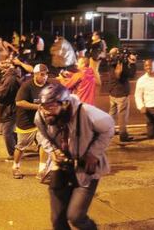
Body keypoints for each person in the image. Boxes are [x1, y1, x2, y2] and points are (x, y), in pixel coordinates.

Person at [34, 83, 114, 230]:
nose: (46, 112)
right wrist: (52, 150)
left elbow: (109, 128)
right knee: (57, 219)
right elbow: (41, 133)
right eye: (43, 106)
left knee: (76, 216)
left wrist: (93, 153)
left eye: (51, 107)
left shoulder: (87, 112)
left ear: (65, 104)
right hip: (60, 167)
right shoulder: (42, 116)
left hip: (85, 169)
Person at [12, 64, 49, 179]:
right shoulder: (27, 86)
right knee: (21, 146)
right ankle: (15, 167)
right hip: (26, 121)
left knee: (43, 144)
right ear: (35, 75)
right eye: (42, 74)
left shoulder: (48, 85)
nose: (45, 77)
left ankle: (42, 170)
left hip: (41, 121)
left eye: (46, 74)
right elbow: (19, 102)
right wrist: (37, 107)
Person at [0, 60, 21, 159]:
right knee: (10, 131)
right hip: (8, 108)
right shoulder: (8, 77)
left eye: (0, 68)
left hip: (10, 109)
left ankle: (13, 154)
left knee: (6, 132)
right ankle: (18, 149)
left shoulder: (10, 79)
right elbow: (0, 85)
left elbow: (1, 95)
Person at [108, 47, 137, 142]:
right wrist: (132, 63)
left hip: (112, 93)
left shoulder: (112, 63)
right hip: (121, 94)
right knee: (122, 116)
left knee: (112, 113)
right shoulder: (121, 65)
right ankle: (123, 135)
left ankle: (109, 130)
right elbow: (131, 74)